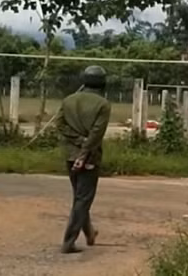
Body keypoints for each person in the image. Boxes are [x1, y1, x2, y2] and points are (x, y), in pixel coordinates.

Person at [52, 64, 111, 254]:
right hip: (89, 157)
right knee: (83, 199)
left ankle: (90, 234)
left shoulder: (69, 100)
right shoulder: (103, 105)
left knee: (80, 197)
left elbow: (59, 124)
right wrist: (85, 149)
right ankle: (68, 242)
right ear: (103, 83)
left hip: (70, 155)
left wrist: (76, 140)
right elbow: (96, 134)